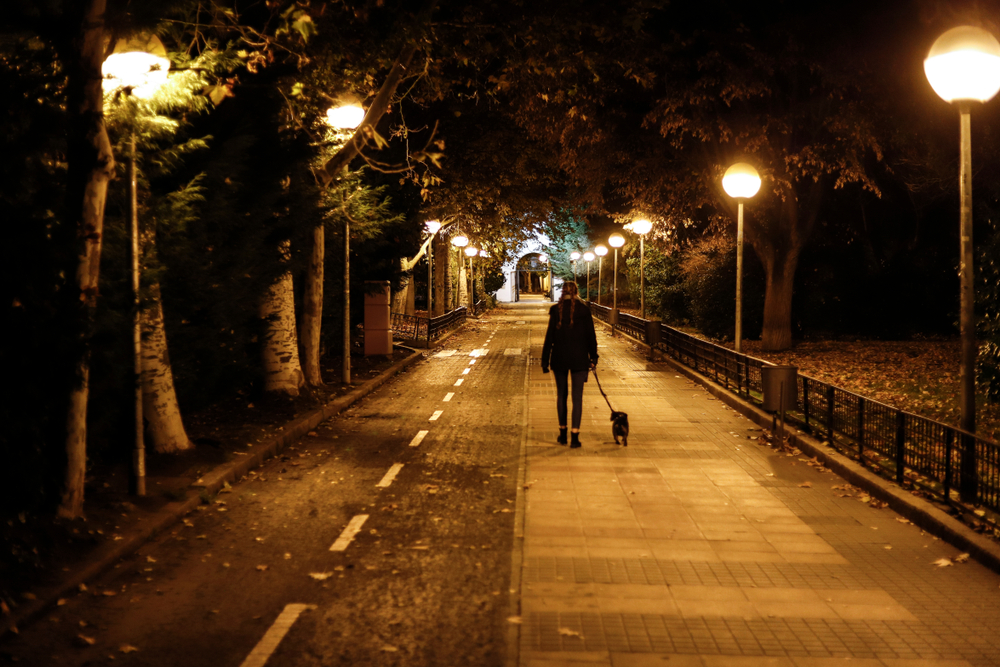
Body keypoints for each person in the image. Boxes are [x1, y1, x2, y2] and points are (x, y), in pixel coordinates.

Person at [541, 281, 598, 448]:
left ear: (562, 293)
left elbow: (549, 338)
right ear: (576, 292)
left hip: (559, 359)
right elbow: (591, 337)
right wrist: (593, 358)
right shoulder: (584, 310)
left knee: (562, 396)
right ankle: (575, 436)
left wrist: (545, 360)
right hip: (580, 359)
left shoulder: (556, 310)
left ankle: (563, 433)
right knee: (577, 398)